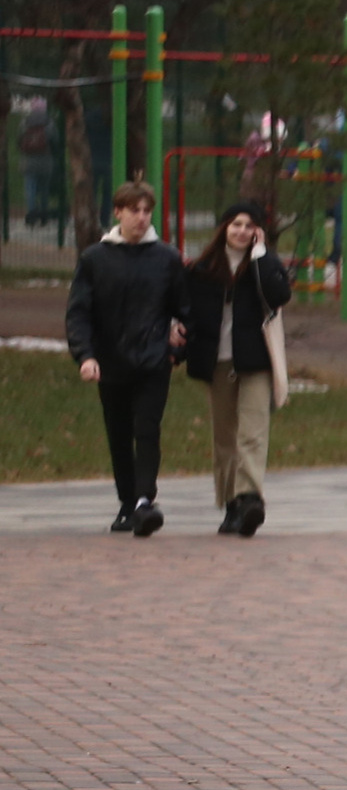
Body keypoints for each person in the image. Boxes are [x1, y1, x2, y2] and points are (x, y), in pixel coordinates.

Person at [64, 181, 183, 536]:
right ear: (118, 212)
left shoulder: (166, 258)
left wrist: (177, 349)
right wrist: (85, 355)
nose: (142, 218)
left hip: (152, 362)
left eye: (147, 211)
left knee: (147, 429)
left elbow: (184, 308)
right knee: (119, 434)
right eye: (135, 211)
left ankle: (145, 501)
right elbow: (79, 313)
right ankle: (127, 503)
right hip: (112, 362)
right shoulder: (95, 259)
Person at [183, 202, 291, 538]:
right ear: (224, 228)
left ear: (258, 231)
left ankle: (249, 500)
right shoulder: (203, 268)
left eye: (249, 226)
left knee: (253, 432)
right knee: (225, 436)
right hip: (218, 361)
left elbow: (279, 295)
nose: (242, 231)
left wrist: (261, 257)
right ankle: (230, 503)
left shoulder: (264, 265)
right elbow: (189, 311)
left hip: (255, 361)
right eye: (236, 225)